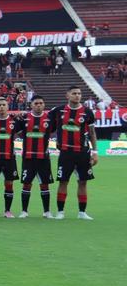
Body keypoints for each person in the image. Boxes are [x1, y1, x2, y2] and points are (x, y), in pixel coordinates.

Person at [50, 85, 98, 219]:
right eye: (74, 93)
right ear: (67, 95)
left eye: (79, 93)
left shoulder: (88, 112)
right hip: (66, 153)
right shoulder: (58, 111)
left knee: (83, 182)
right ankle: (60, 212)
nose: (77, 95)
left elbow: (92, 133)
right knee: (63, 181)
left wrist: (95, 152)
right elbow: (46, 123)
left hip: (83, 152)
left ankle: (82, 212)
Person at [14, 95, 55, 218]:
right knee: (27, 184)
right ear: (31, 105)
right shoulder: (24, 118)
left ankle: (47, 211)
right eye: (36, 103)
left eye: (41, 103)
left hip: (44, 157)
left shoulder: (49, 119)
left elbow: (52, 131)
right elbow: (18, 132)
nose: (38, 105)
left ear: (44, 105)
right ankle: (24, 211)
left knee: (45, 185)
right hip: (28, 157)